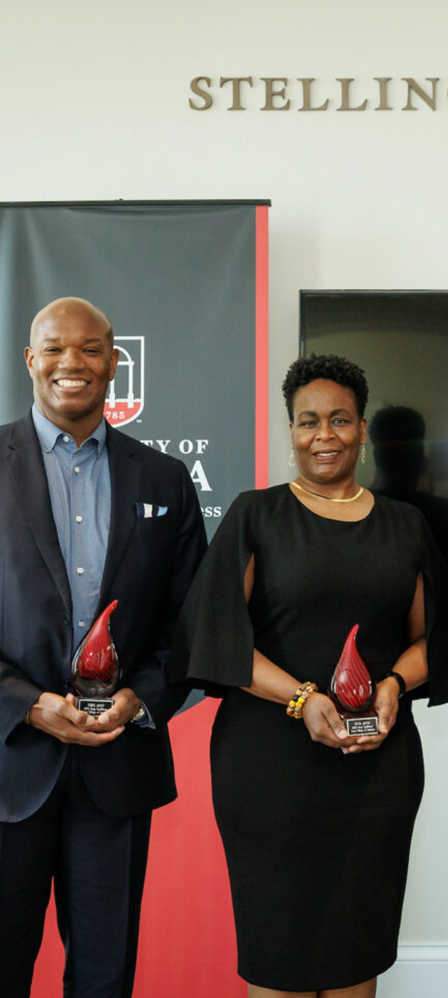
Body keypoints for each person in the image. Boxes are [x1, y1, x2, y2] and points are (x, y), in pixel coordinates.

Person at [172, 354, 448, 998]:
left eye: (340, 420)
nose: (324, 434)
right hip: (270, 773)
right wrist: (303, 698)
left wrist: (392, 688)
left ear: (362, 430)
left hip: (376, 768)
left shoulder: (405, 524)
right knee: (280, 949)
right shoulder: (256, 516)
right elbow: (220, 638)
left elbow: (430, 641)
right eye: (308, 421)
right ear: (291, 431)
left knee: (354, 950)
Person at [0, 296, 207, 998]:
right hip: (8, 770)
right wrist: (27, 706)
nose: (72, 363)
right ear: (30, 361)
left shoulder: (164, 481)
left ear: (114, 363)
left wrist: (140, 699)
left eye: (90, 349)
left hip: (117, 771)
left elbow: (190, 623)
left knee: (104, 975)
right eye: (54, 348)